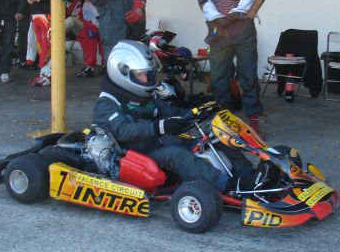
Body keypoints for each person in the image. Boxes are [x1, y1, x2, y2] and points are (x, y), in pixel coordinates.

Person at [93, 40, 264, 192]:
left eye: (149, 73)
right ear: (122, 72)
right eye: (140, 75)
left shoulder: (148, 96)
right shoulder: (107, 102)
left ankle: (249, 175)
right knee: (177, 155)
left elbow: (170, 114)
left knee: (213, 138)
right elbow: (123, 131)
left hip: (160, 143)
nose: (146, 78)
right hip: (134, 156)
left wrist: (197, 112)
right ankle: (228, 185)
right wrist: (160, 127)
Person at [196, 0, 269, 137]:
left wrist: (252, 11)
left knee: (247, 76)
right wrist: (210, 13)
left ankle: (253, 123)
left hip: (243, 29)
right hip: (219, 31)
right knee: (219, 78)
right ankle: (223, 124)